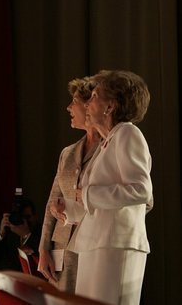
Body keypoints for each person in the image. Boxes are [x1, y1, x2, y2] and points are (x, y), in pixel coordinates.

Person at [55, 70, 153, 305]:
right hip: (98, 244)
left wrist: (87, 195)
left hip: (116, 245)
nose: (88, 103)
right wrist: (70, 209)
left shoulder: (128, 133)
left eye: (95, 96)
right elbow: (99, 204)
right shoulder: (107, 142)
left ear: (110, 106)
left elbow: (141, 190)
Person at [37, 77, 100, 292]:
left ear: (89, 105)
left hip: (93, 250)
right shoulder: (68, 153)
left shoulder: (110, 149)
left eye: (74, 101)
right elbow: (51, 203)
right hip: (61, 252)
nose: (68, 107)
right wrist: (44, 248)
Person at [0, 198, 40, 274]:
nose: (24, 221)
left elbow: (38, 260)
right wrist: (1, 234)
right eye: (20, 217)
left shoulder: (42, 234)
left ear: (35, 216)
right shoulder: (8, 234)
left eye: (27, 217)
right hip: (8, 282)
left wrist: (26, 234)